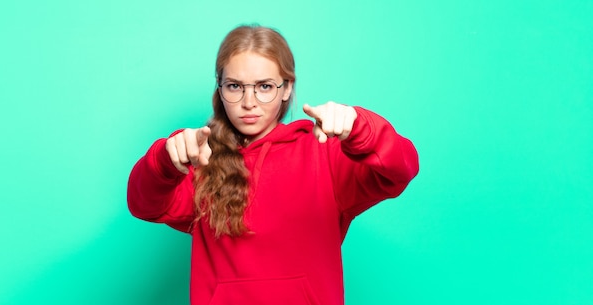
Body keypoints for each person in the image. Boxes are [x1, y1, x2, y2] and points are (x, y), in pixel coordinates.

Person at [127, 25, 419, 305]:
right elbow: (143, 204)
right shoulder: (201, 158)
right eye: (235, 86)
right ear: (220, 88)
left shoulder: (324, 152)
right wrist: (164, 160)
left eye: (265, 86)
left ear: (287, 88)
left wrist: (360, 128)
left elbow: (401, 168)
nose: (249, 102)